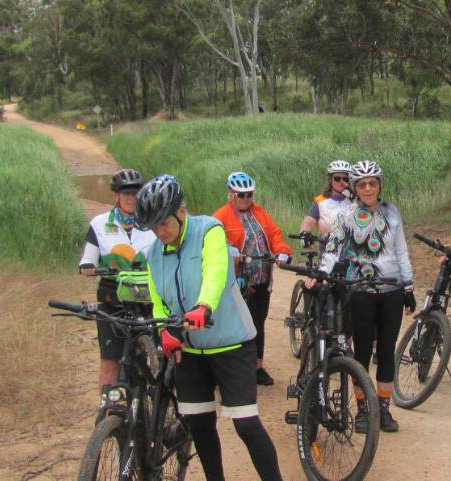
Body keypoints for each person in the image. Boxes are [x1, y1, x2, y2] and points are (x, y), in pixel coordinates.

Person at [135, 175, 283, 481]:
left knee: (245, 424)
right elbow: (157, 298)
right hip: (190, 351)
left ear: (181, 212)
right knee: (200, 425)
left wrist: (203, 306)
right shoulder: (153, 253)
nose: (159, 232)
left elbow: (215, 270)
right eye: (153, 227)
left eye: (164, 223)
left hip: (231, 345)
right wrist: (164, 328)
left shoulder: (209, 230)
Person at [317, 160, 415, 433]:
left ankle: (383, 410)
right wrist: (322, 275)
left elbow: (401, 251)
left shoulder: (392, 212)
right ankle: (362, 411)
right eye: (362, 184)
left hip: (391, 290)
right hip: (359, 292)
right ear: (355, 188)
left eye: (373, 183)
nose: (368, 188)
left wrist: (408, 286)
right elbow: (333, 248)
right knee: (360, 353)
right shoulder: (346, 216)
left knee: (386, 352)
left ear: (379, 184)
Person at [78, 168, 156, 393]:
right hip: (113, 298)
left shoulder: (152, 222)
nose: (131, 199)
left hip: (147, 298)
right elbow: (88, 256)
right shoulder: (100, 224)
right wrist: (88, 265)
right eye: (126, 194)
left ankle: (142, 404)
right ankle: (107, 409)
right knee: (110, 359)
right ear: (116, 196)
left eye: (135, 193)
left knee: (144, 356)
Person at [212, 172, 292, 386]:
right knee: (234, 325)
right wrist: (228, 248)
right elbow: (213, 239)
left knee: (258, 323)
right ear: (232, 194)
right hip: (238, 279)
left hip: (262, 278)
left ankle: (257, 368)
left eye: (249, 194)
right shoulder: (220, 216)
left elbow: (274, 233)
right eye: (242, 195)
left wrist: (282, 250)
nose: (247, 199)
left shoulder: (259, 212)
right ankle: (231, 369)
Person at [297, 160, 352, 247]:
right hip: (327, 252)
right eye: (337, 178)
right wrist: (305, 235)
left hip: (351, 254)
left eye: (345, 179)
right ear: (330, 179)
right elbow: (308, 223)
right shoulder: (320, 201)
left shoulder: (354, 201)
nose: (341, 181)